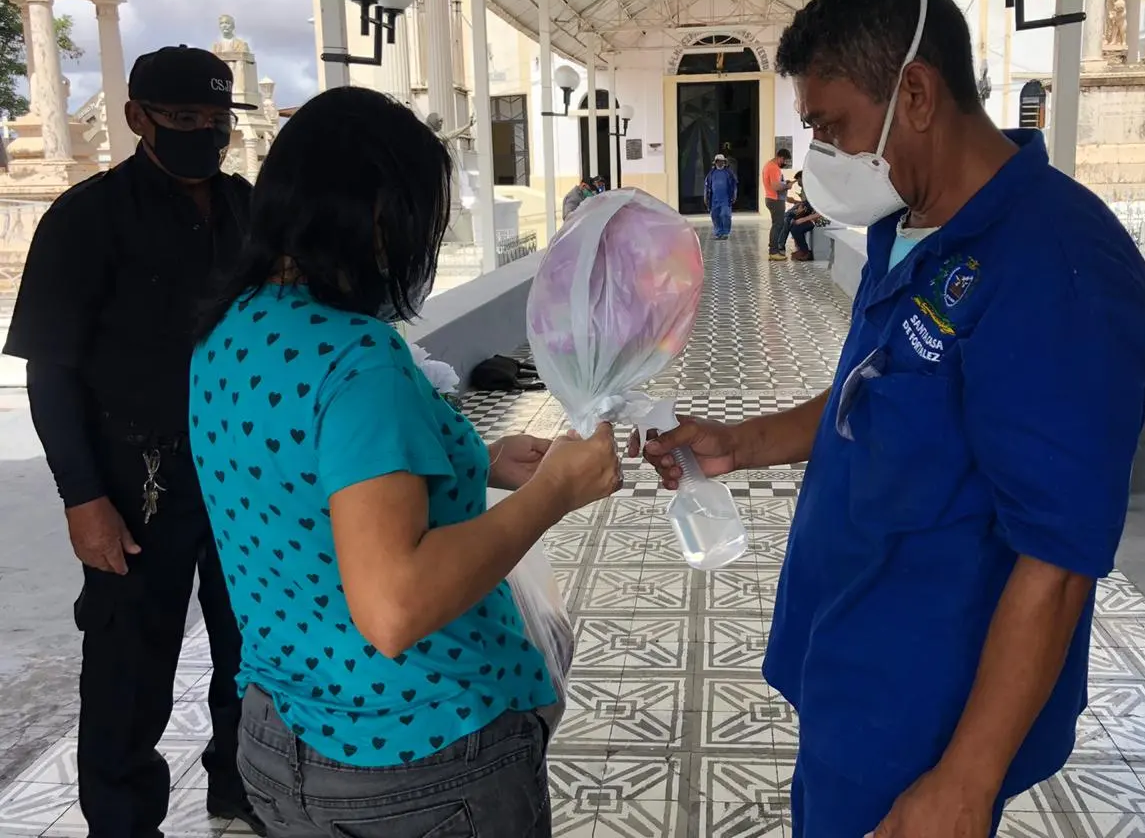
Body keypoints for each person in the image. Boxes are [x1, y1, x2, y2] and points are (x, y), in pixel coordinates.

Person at [632, 0, 1145, 838]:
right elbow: (870, 394)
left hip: (925, 706)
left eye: (830, 125)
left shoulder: (1060, 270)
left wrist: (965, 780)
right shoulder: (905, 223)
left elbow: (1059, 557)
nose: (822, 154)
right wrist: (739, 442)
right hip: (847, 652)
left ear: (915, 93)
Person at [192, 86, 622, 836]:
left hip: (279, 739)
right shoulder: (358, 358)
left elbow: (305, 481)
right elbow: (395, 607)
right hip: (417, 759)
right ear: (377, 216)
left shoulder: (229, 331)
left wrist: (478, 461)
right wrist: (554, 491)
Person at [3, 46, 264, 836]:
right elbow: (50, 372)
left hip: (242, 475)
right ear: (137, 118)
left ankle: (239, 784)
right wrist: (83, 498)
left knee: (252, 645)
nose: (204, 134)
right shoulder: (86, 219)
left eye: (217, 120)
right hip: (136, 480)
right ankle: (122, 821)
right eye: (184, 118)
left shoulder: (250, 211)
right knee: (128, 667)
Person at [762, 146, 793, 261]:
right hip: (775, 200)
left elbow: (775, 183)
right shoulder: (774, 168)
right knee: (778, 225)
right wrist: (787, 186)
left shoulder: (768, 165)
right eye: (785, 161)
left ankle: (774, 250)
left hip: (771, 199)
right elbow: (775, 186)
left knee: (777, 224)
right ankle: (773, 252)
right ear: (780, 157)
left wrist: (784, 183)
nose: (784, 163)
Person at [704, 153, 738, 240]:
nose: (720, 163)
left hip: (726, 199)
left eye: (721, 161)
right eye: (718, 161)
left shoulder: (729, 173)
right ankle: (718, 233)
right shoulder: (711, 174)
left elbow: (734, 185)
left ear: (724, 162)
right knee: (715, 216)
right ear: (715, 162)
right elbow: (707, 186)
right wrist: (705, 198)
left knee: (725, 215)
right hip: (714, 200)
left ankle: (725, 233)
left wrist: (734, 195)